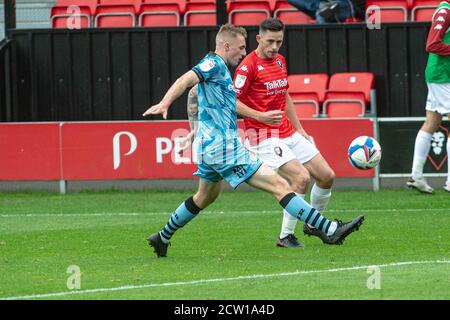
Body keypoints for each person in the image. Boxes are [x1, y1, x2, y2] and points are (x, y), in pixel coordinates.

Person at [142, 23, 364, 258]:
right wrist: (165, 102)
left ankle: (163, 237)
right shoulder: (213, 64)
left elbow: (194, 94)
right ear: (226, 46)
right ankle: (329, 228)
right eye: (240, 47)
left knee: (205, 197)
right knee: (279, 186)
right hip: (224, 149)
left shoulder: (221, 70)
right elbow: (187, 80)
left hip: (210, 149)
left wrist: (195, 129)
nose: (242, 52)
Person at [233, 18, 336, 248]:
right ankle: (286, 236)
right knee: (300, 178)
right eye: (270, 41)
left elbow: (285, 95)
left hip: (287, 131)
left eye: (279, 42)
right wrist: (260, 116)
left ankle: (312, 223)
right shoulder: (247, 67)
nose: (274, 47)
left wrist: (299, 128)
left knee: (327, 175)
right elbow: (232, 102)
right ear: (259, 38)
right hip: (262, 136)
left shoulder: (280, 61)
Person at [407, 1, 450, 194]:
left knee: (431, 121)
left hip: (440, 74)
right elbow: (432, 44)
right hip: (442, 75)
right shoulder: (445, 11)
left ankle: (416, 175)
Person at [287, 0, 365, 24]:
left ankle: (320, 6)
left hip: (350, 4)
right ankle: (320, 6)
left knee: (321, 15)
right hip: (328, 3)